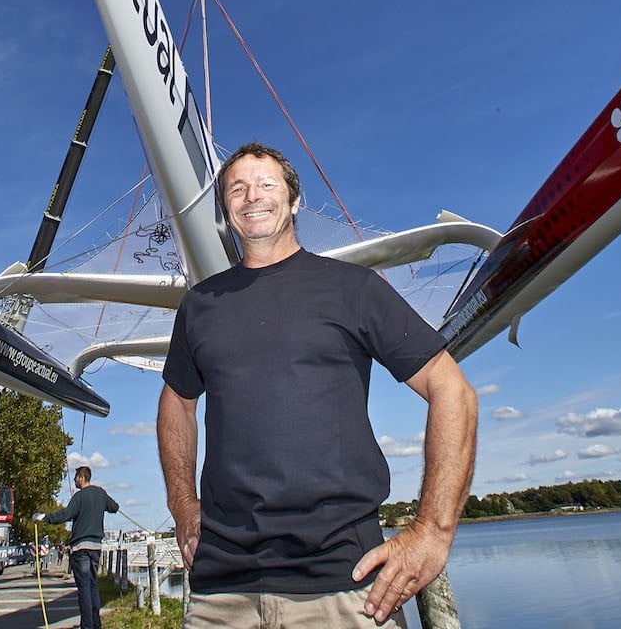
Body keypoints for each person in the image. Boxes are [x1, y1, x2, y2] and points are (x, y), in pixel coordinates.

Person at [157, 142, 479, 628]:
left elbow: (451, 388)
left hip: (344, 585)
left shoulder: (354, 287)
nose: (252, 196)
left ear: (294, 200)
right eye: (237, 189)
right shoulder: (201, 305)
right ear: (226, 209)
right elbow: (176, 404)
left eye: (267, 184)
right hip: (221, 591)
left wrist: (433, 529)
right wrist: (183, 507)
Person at [33, 466, 119, 629]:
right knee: (93, 585)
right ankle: (95, 623)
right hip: (95, 547)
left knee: (84, 588)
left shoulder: (79, 497)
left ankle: (87, 625)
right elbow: (114, 507)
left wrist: (45, 518)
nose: (74, 482)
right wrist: (103, 504)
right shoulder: (100, 493)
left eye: (75, 479)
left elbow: (65, 515)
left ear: (81, 478)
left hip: (81, 548)